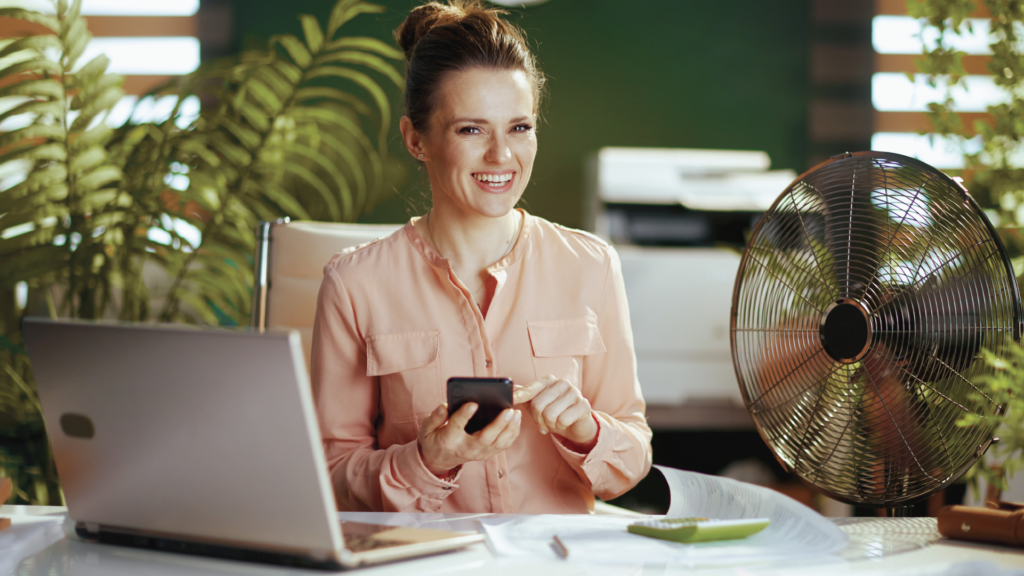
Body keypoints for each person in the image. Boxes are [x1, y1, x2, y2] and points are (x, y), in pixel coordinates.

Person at [311, 0, 652, 514]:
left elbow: (633, 456)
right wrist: (426, 460)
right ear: (416, 140)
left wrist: (588, 431)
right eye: (471, 129)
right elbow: (332, 477)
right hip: (422, 563)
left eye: (519, 128)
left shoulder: (592, 266)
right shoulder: (354, 284)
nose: (501, 156)